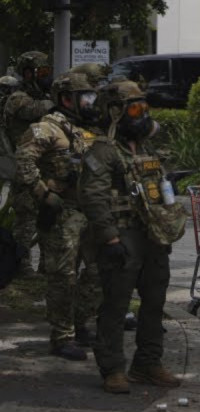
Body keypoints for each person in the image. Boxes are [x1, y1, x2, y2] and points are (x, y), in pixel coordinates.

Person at [81, 79, 186, 393]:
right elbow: (94, 197)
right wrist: (110, 239)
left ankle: (148, 363)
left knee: (154, 302)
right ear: (115, 111)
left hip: (153, 235)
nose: (142, 115)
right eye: (135, 109)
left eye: (144, 108)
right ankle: (113, 368)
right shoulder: (103, 150)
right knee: (116, 304)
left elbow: (160, 187)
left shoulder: (146, 148)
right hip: (122, 235)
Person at [15, 72, 100, 361]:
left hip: (90, 210)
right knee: (63, 276)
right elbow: (23, 160)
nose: (90, 103)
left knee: (99, 270)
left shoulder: (87, 129)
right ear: (66, 99)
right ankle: (62, 336)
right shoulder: (47, 128)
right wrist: (43, 194)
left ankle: (80, 321)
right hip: (63, 213)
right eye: (85, 98)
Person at [4, 51, 56, 282]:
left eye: (47, 72)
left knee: (48, 216)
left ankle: (46, 265)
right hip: (24, 167)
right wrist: (55, 100)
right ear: (27, 73)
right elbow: (34, 110)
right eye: (41, 72)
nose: (46, 77)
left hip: (45, 167)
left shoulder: (42, 96)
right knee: (25, 219)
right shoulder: (18, 98)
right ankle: (22, 266)